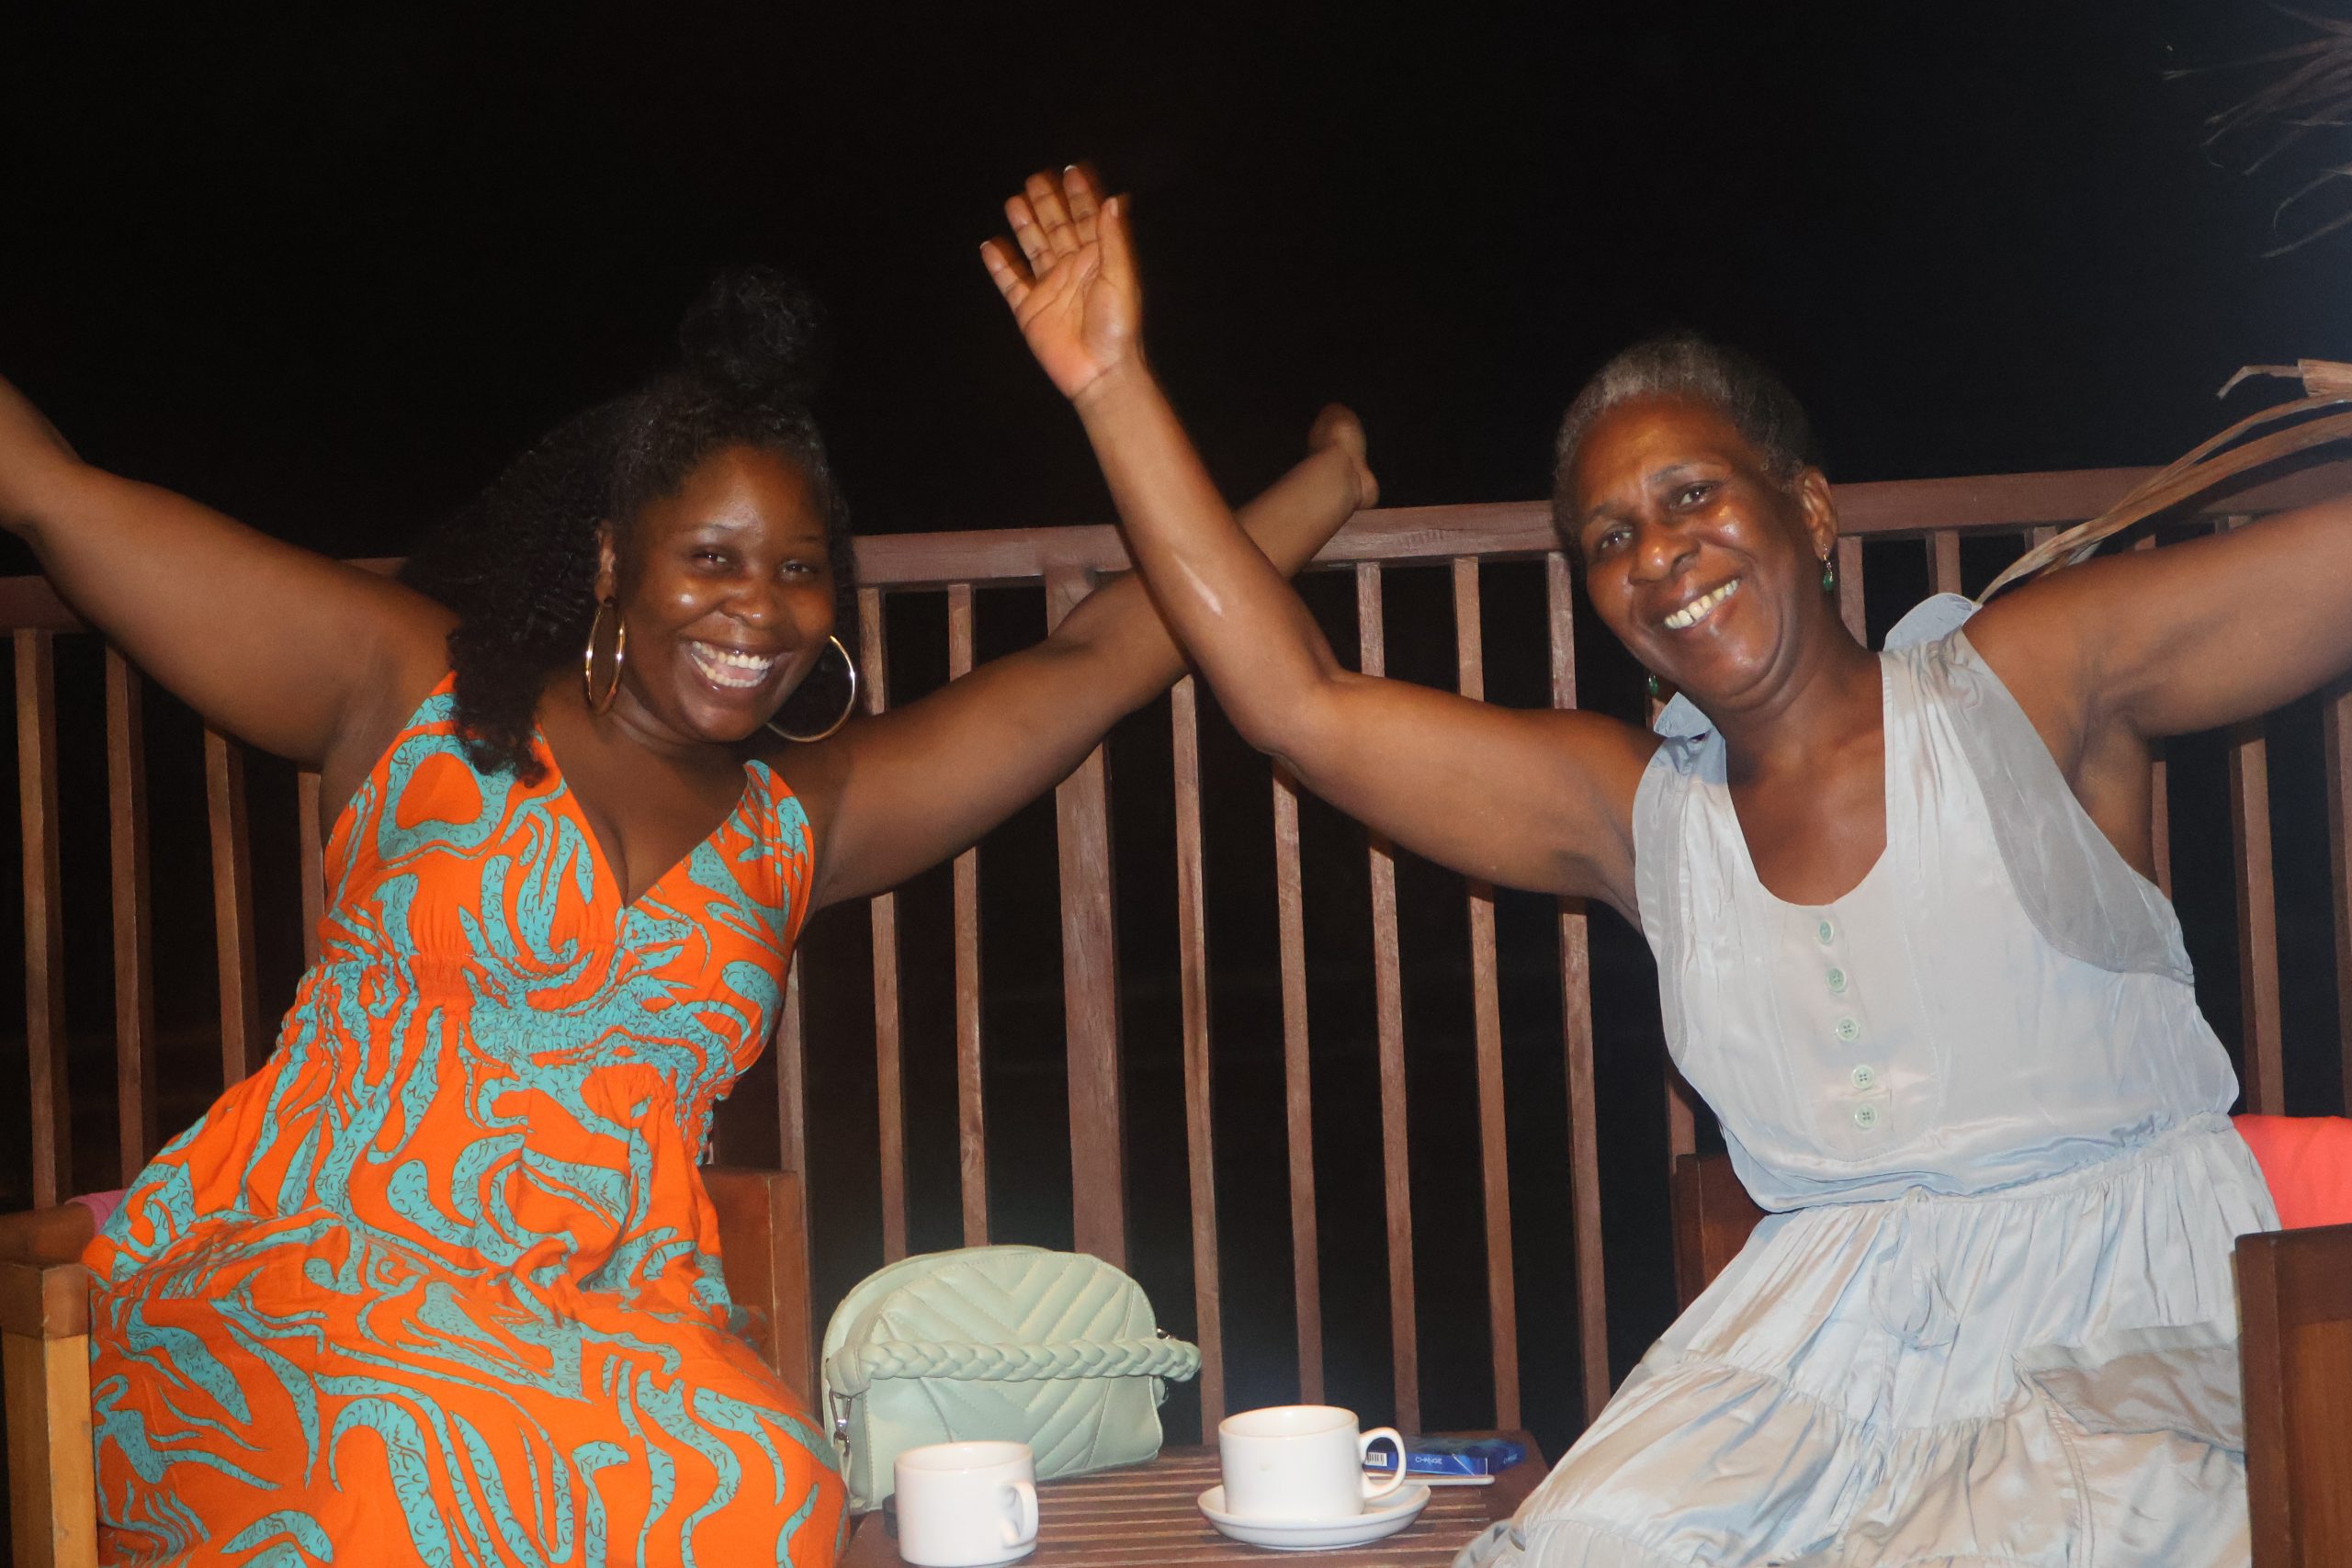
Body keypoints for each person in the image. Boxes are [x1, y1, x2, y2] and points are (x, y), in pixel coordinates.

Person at [981, 164, 2320, 1566]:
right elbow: (1298, 706)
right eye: (1610, 538)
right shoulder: (1641, 814)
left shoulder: (2027, 682)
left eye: (1692, 495)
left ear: (1808, 510)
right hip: (1814, 1360)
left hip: (2115, 1337)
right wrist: (1110, 383)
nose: (1660, 555)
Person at [0, 266, 1374, 1566]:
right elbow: (59, 496)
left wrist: (1324, 490)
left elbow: (1100, 654)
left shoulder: (803, 816)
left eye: (795, 569)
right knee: (407, 1457)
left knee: (772, 1485)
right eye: (710, 557)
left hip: (603, 1314)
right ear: (611, 561)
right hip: (308, 1285)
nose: (754, 611)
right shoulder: (407, 683)